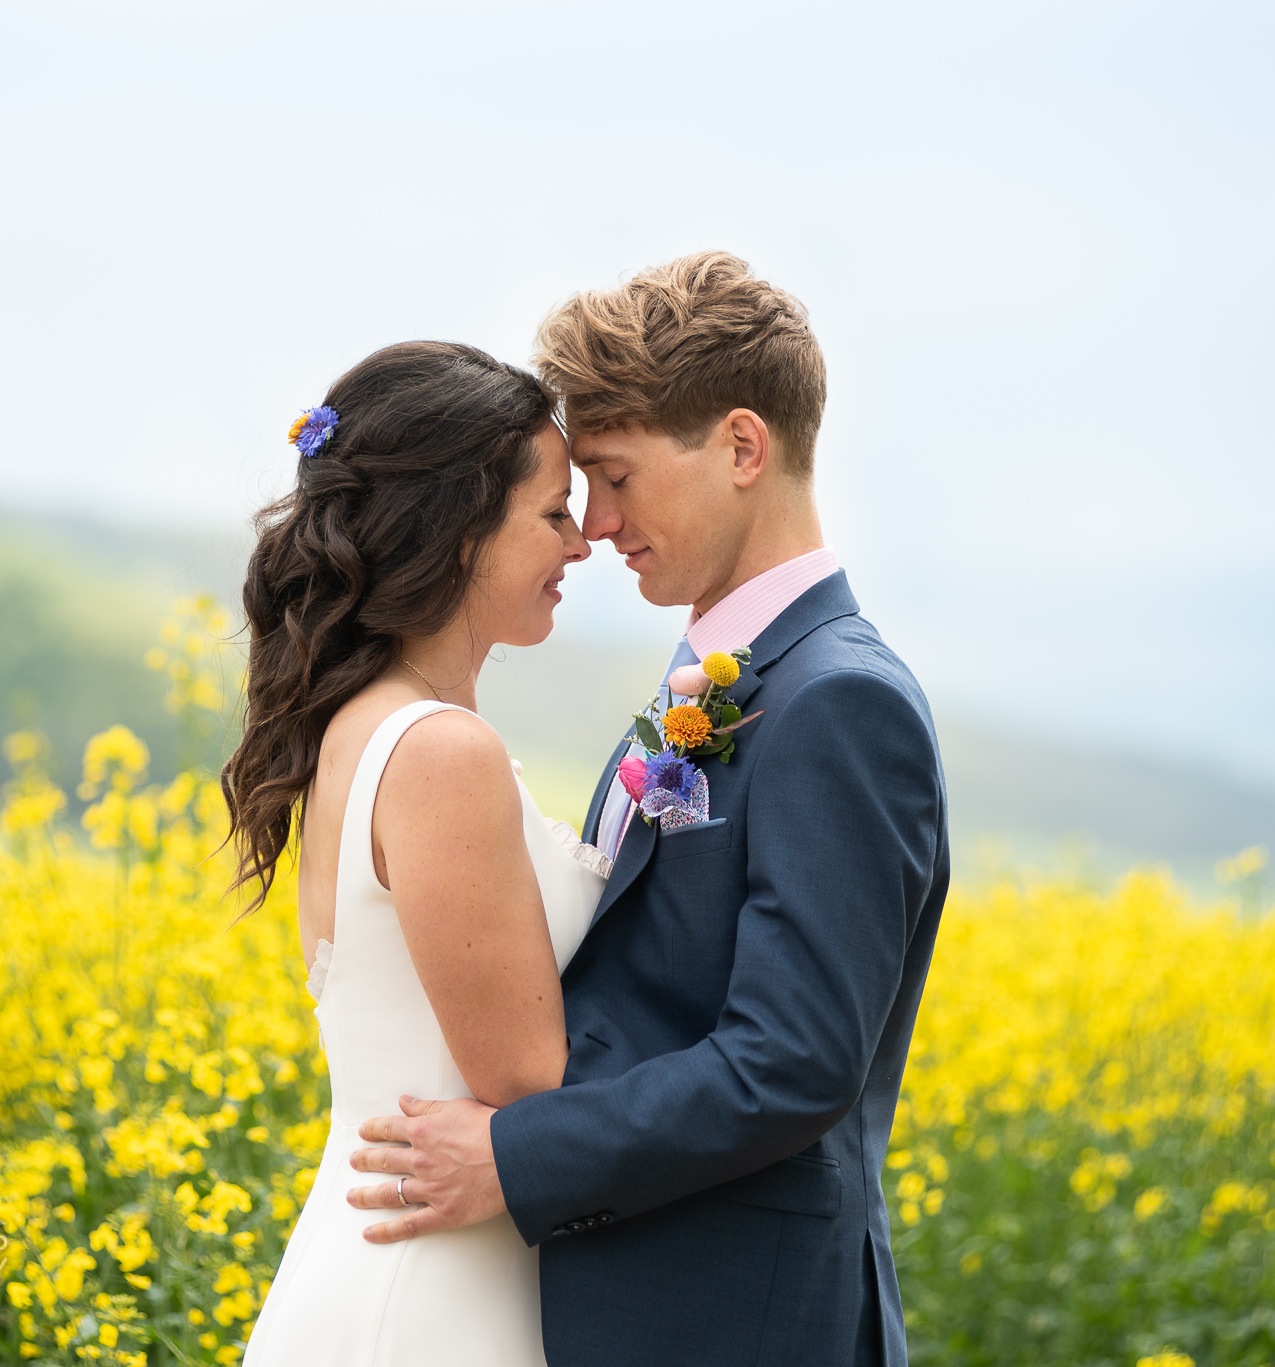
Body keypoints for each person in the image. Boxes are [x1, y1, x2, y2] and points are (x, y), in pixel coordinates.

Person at [341, 253, 951, 1367]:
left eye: (615, 476)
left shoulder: (838, 701)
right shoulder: (719, 674)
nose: (597, 522)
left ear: (739, 447)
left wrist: (515, 1154)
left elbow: (790, 1062)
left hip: (736, 1325)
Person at [227, 340, 606, 1366]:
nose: (582, 543)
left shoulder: (373, 723)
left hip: (401, 1265)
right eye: (552, 512)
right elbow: (527, 1078)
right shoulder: (439, 750)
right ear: (459, 529)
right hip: (428, 1301)